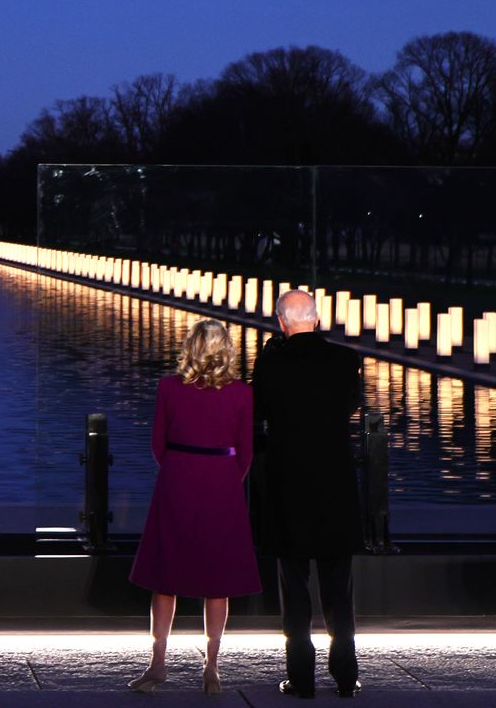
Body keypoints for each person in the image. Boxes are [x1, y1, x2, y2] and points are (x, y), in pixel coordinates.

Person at [129, 318, 259, 695]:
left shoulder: (169, 387)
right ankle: (212, 667)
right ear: (226, 349)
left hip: (178, 476)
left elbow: (158, 442)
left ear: (190, 347)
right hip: (221, 480)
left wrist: (178, 471)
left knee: (165, 574)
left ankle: (158, 664)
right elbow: (246, 452)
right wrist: (224, 480)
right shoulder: (241, 392)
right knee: (217, 580)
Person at [254, 289, 364, 699]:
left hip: (290, 484)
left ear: (282, 322)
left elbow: (258, 411)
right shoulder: (344, 360)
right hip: (334, 484)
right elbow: (349, 405)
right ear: (316, 319)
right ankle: (346, 675)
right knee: (340, 585)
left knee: (294, 585)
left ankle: (300, 677)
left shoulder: (271, 362)